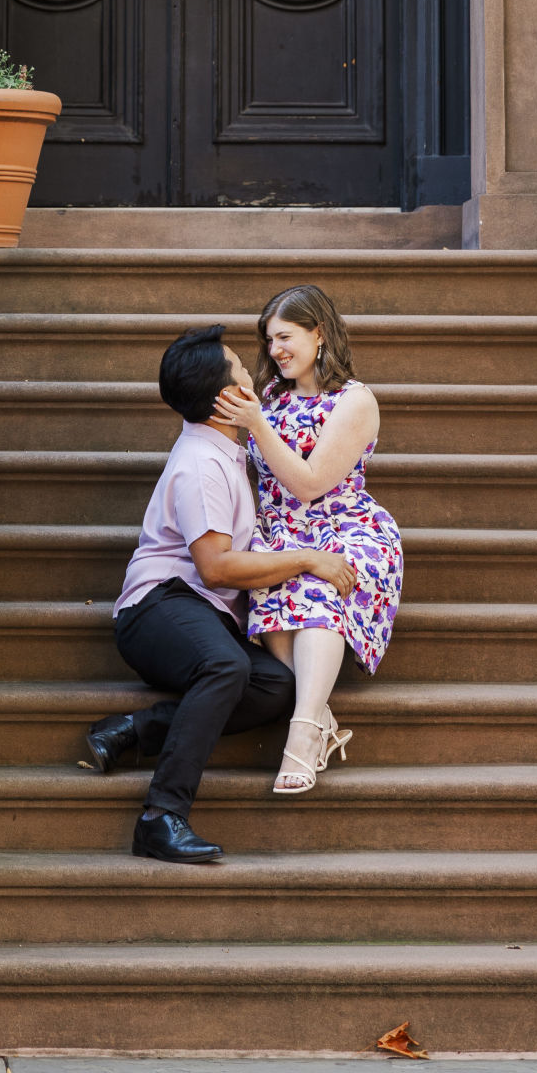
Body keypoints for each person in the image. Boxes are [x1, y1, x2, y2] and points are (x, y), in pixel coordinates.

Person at [84, 323, 358, 864]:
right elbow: (215, 568)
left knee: (276, 687)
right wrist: (307, 559)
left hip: (195, 610)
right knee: (226, 669)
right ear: (228, 398)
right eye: (240, 368)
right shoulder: (202, 464)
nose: (253, 374)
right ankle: (161, 817)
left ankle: (137, 728)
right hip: (158, 607)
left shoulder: (225, 448)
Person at [212, 284, 403, 795]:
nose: (275, 350)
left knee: (318, 594)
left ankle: (300, 737)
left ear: (319, 334)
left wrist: (255, 422)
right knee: (273, 588)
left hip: (345, 528)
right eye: (269, 339)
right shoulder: (268, 396)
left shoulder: (354, 400)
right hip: (279, 532)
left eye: (286, 336)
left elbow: (312, 483)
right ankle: (323, 721)